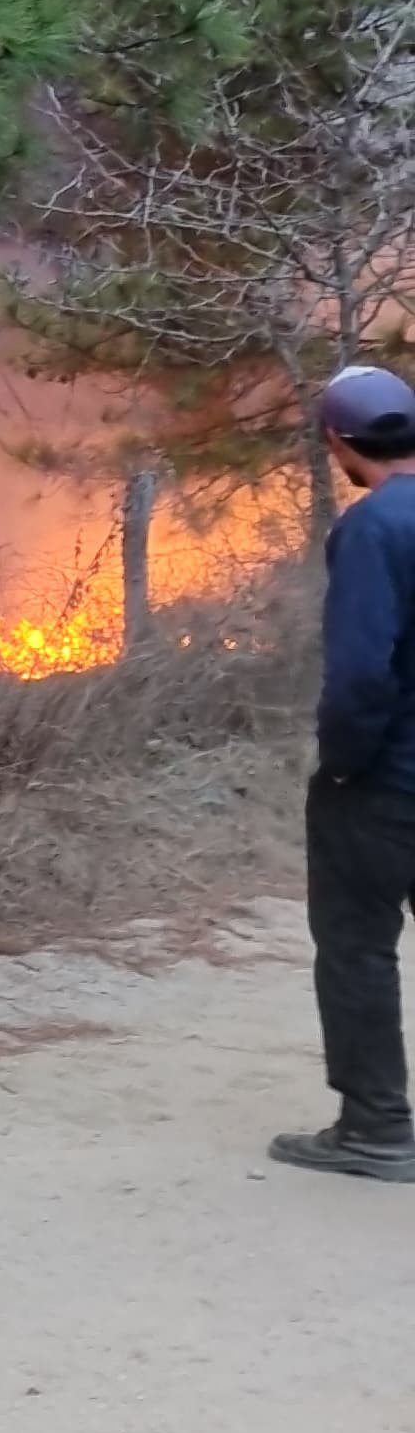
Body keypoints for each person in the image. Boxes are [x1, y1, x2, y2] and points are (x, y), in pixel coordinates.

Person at [276, 362, 415, 1180]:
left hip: (388, 787)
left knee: (358, 945)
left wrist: (340, 768)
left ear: (337, 442)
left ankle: (375, 1128)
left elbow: (361, 673)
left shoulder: (374, 529)